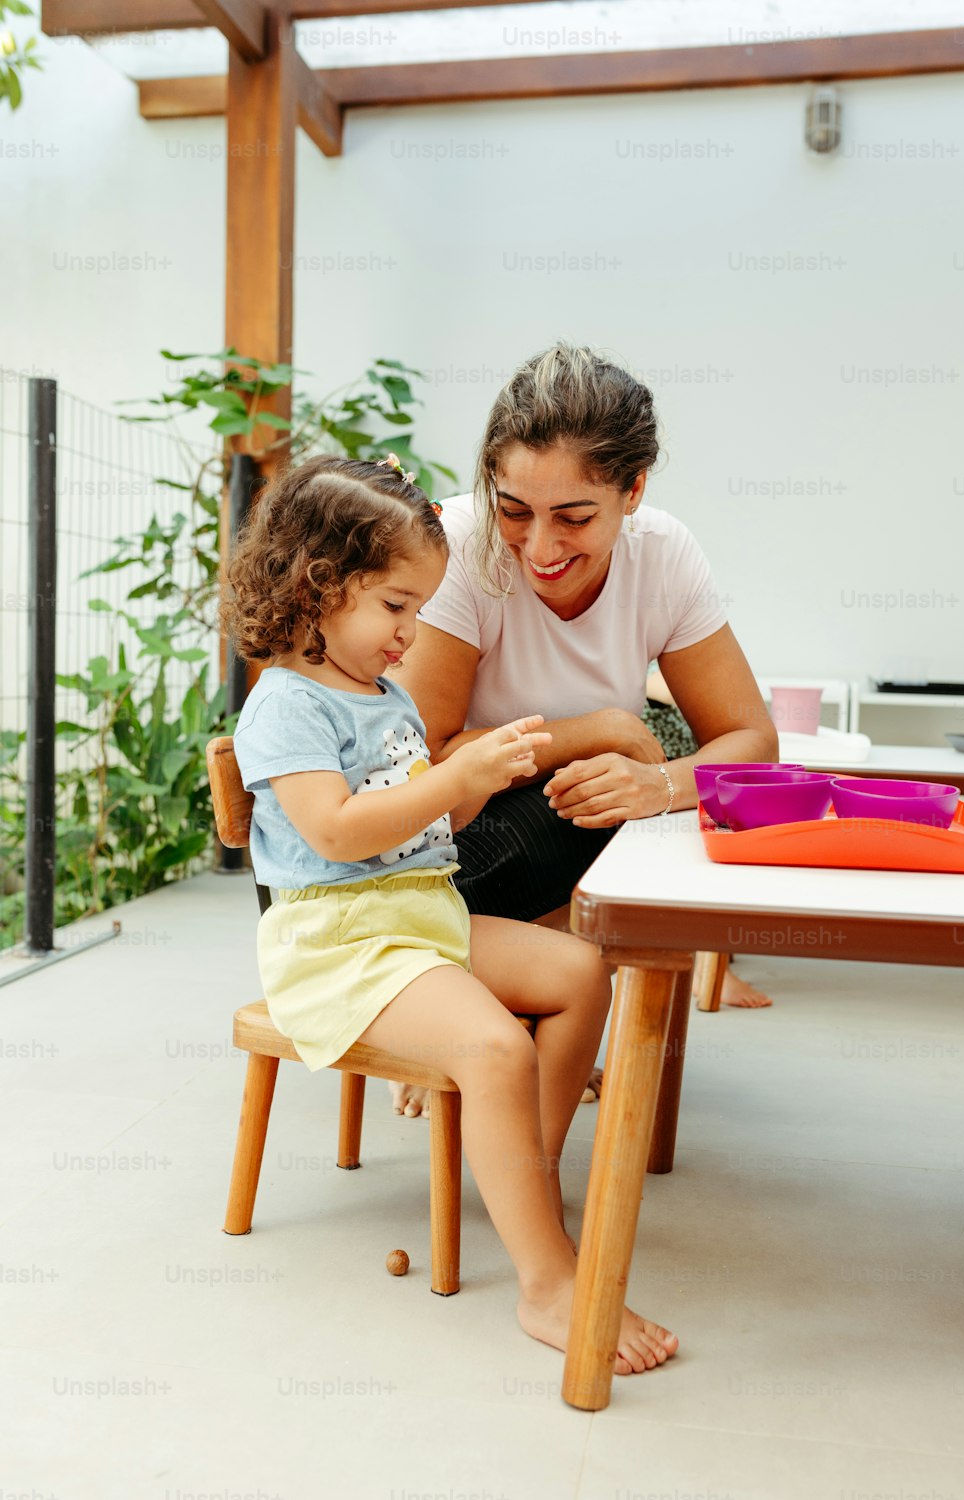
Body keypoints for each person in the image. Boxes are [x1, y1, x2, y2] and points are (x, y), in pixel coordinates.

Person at [222, 452, 678, 1376]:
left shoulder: (382, 694)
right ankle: (547, 1284)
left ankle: (523, 1173)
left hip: (417, 919)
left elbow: (434, 816)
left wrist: (480, 778)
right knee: (496, 1046)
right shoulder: (285, 705)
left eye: (419, 609)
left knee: (582, 968)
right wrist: (451, 778)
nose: (411, 632)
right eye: (396, 607)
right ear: (318, 586)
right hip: (341, 943)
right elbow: (340, 833)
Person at [389, 343, 778, 1114]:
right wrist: (596, 730)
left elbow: (753, 745)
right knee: (575, 819)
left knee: (626, 826)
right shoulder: (457, 546)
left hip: (556, 829)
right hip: (441, 851)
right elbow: (420, 771)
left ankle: (524, 1021)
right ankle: (465, 1019)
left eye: (574, 517)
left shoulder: (663, 555)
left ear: (633, 491)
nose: (540, 548)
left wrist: (656, 782)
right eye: (515, 511)